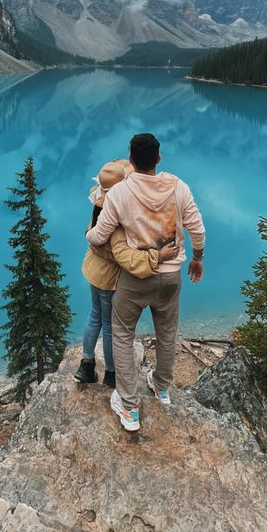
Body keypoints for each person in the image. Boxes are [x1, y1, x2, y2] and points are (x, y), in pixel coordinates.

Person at [86, 133, 205, 432]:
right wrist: (197, 257)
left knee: (123, 333)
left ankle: (128, 406)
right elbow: (197, 228)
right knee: (167, 331)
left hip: (136, 279)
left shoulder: (120, 193)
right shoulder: (179, 187)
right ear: (159, 158)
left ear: (131, 160)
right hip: (171, 277)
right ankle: (161, 387)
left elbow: (99, 235)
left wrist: (88, 236)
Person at [74, 159, 179, 387]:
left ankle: (87, 364)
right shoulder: (117, 218)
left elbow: (90, 235)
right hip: (111, 278)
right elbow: (123, 255)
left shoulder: (98, 209)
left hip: (94, 271)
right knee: (111, 325)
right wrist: (156, 256)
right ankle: (112, 374)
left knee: (94, 317)